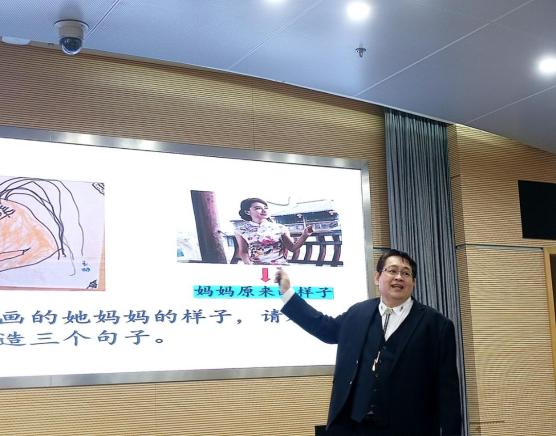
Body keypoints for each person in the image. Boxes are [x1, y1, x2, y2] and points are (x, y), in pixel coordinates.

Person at [275, 249, 461, 435]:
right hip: (355, 426)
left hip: (410, 427)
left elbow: (448, 390)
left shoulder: (437, 325)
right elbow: (326, 329)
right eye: (392, 271)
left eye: (406, 273)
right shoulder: (358, 313)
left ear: (413, 282)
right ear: (377, 278)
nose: (399, 277)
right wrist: (287, 293)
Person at [235, 197, 313, 265]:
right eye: (258, 208)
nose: (264, 210)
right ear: (247, 212)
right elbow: (243, 251)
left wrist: (304, 235)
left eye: (265, 208)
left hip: (279, 266)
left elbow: (292, 248)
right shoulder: (241, 230)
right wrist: (248, 265)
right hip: (256, 266)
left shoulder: (280, 228)